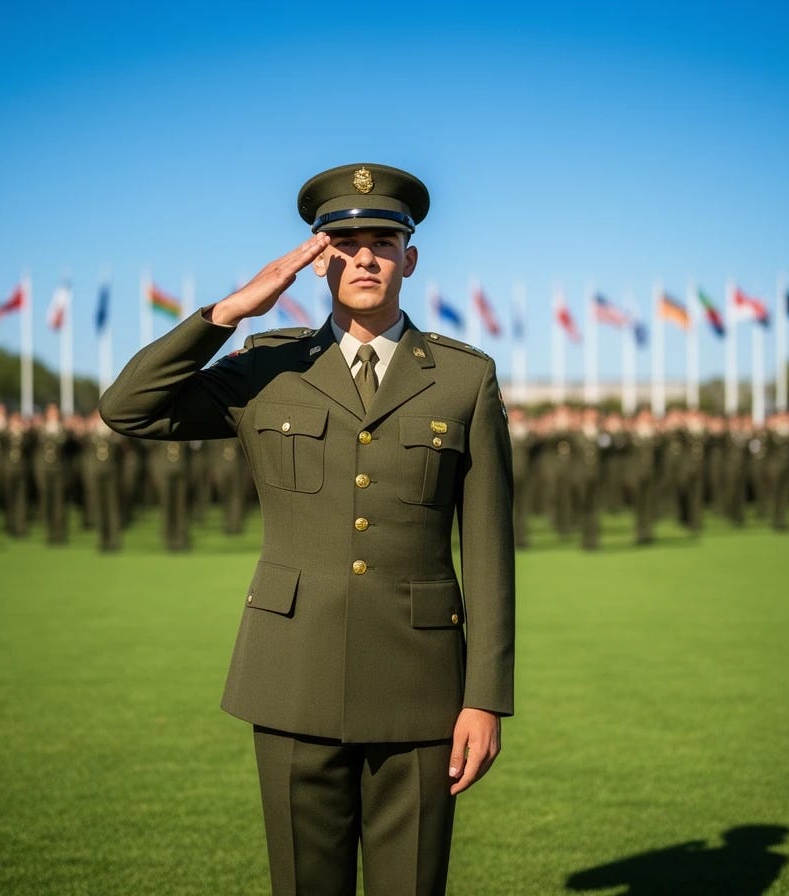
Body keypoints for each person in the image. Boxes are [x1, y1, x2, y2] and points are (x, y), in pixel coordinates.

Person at [100, 162, 515, 895]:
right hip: (291, 677)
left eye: (383, 243)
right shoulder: (268, 367)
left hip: (421, 686)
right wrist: (230, 312)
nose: (365, 258)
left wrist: (483, 697)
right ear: (319, 260)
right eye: (344, 244)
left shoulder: (462, 378)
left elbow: (488, 552)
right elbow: (128, 407)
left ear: (410, 259)